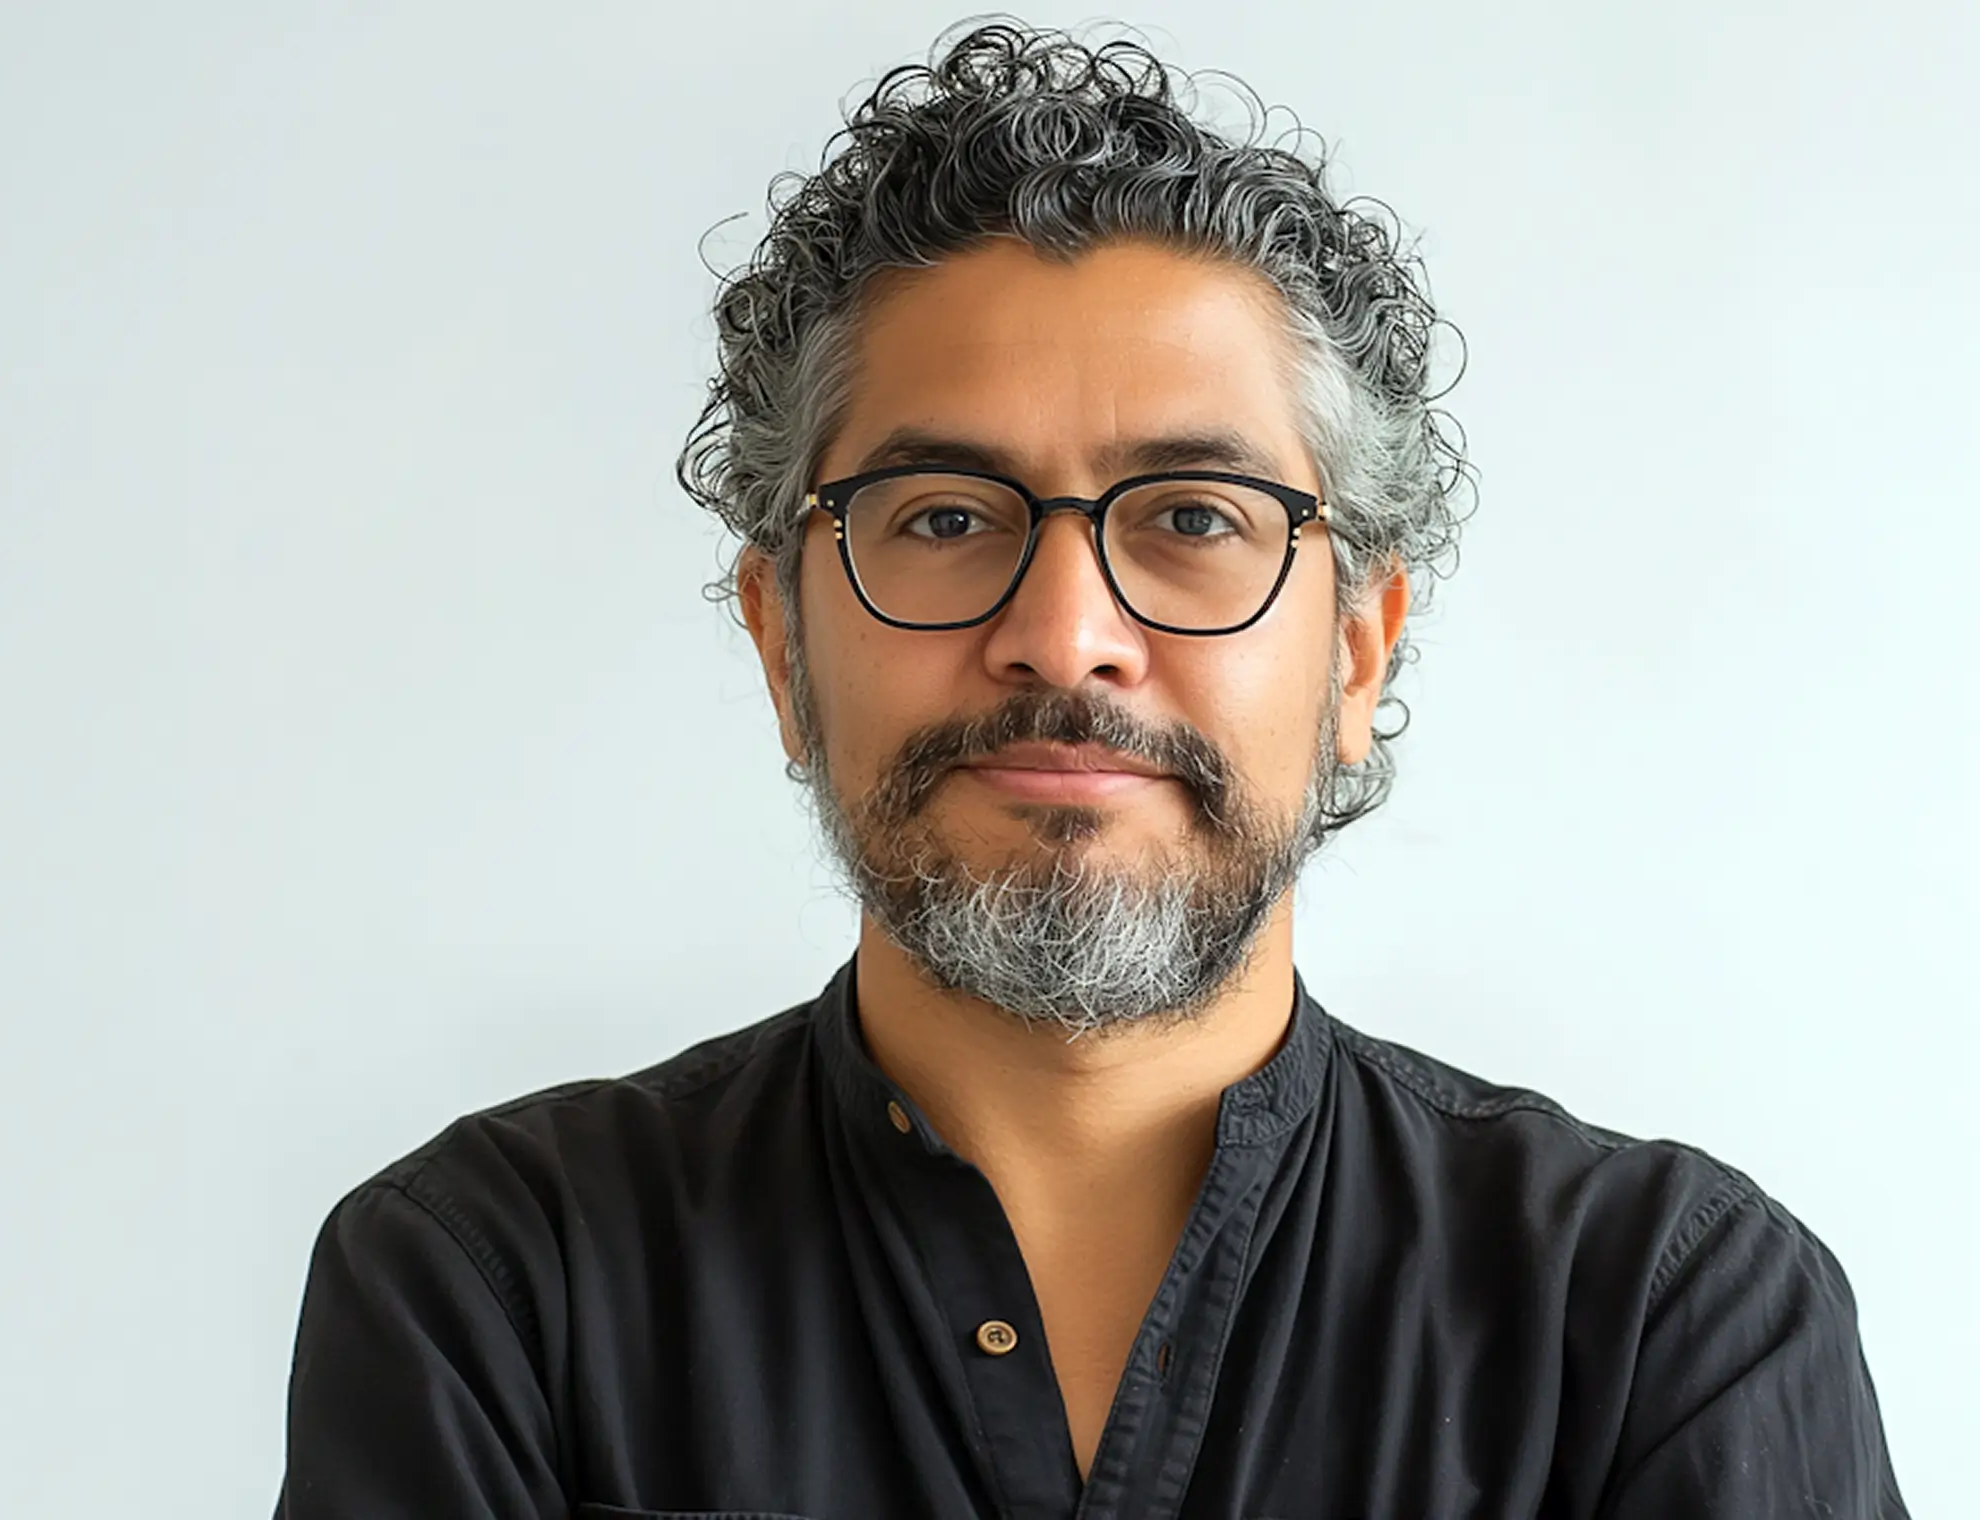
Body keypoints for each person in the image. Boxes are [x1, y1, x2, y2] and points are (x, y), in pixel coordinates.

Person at [273, 22, 1907, 1519]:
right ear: (783, 643)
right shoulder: (496, 1294)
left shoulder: (1662, 1325)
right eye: (942, 520)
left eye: (1192, 519)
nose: (1066, 636)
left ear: (1354, 650)